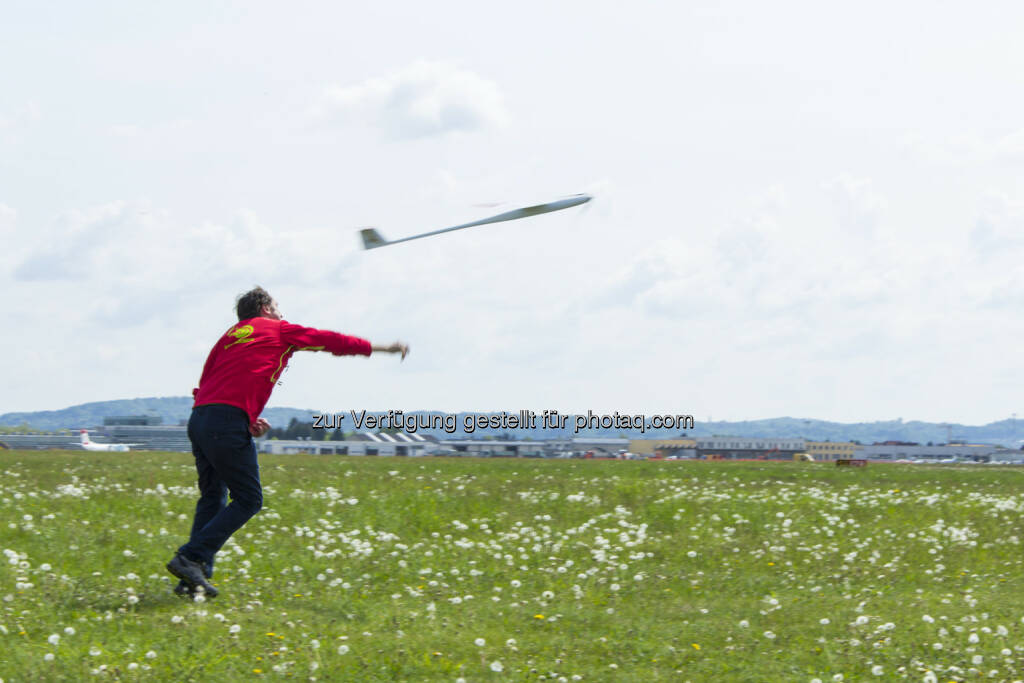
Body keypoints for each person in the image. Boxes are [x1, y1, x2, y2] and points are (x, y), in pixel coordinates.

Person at [167, 286, 408, 597]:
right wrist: (382, 348)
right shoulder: (278, 330)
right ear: (265, 308)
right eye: (278, 306)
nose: (282, 312)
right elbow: (328, 340)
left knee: (212, 497)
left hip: (201, 419)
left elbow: (207, 382)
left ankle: (192, 581)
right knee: (249, 499)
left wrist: (245, 416)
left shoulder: (230, 336)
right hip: (224, 421)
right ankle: (190, 557)